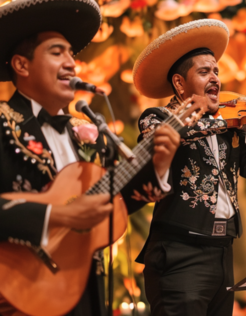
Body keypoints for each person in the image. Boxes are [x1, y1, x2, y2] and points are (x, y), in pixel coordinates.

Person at [0, 0, 180, 315]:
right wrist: (57, 216)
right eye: (57, 52)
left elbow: (111, 203)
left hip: (85, 292)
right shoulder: (2, 123)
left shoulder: (84, 133)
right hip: (19, 292)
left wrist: (159, 169)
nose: (72, 63)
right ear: (21, 65)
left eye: (72, 53)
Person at [132, 19, 246, 316]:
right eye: (204, 71)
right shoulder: (157, 118)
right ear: (180, 84)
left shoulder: (229, 123)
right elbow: (167, 137)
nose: (216, 78)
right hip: (180, 252)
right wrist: (219, 120)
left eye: (217, 71)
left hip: (223, 250)